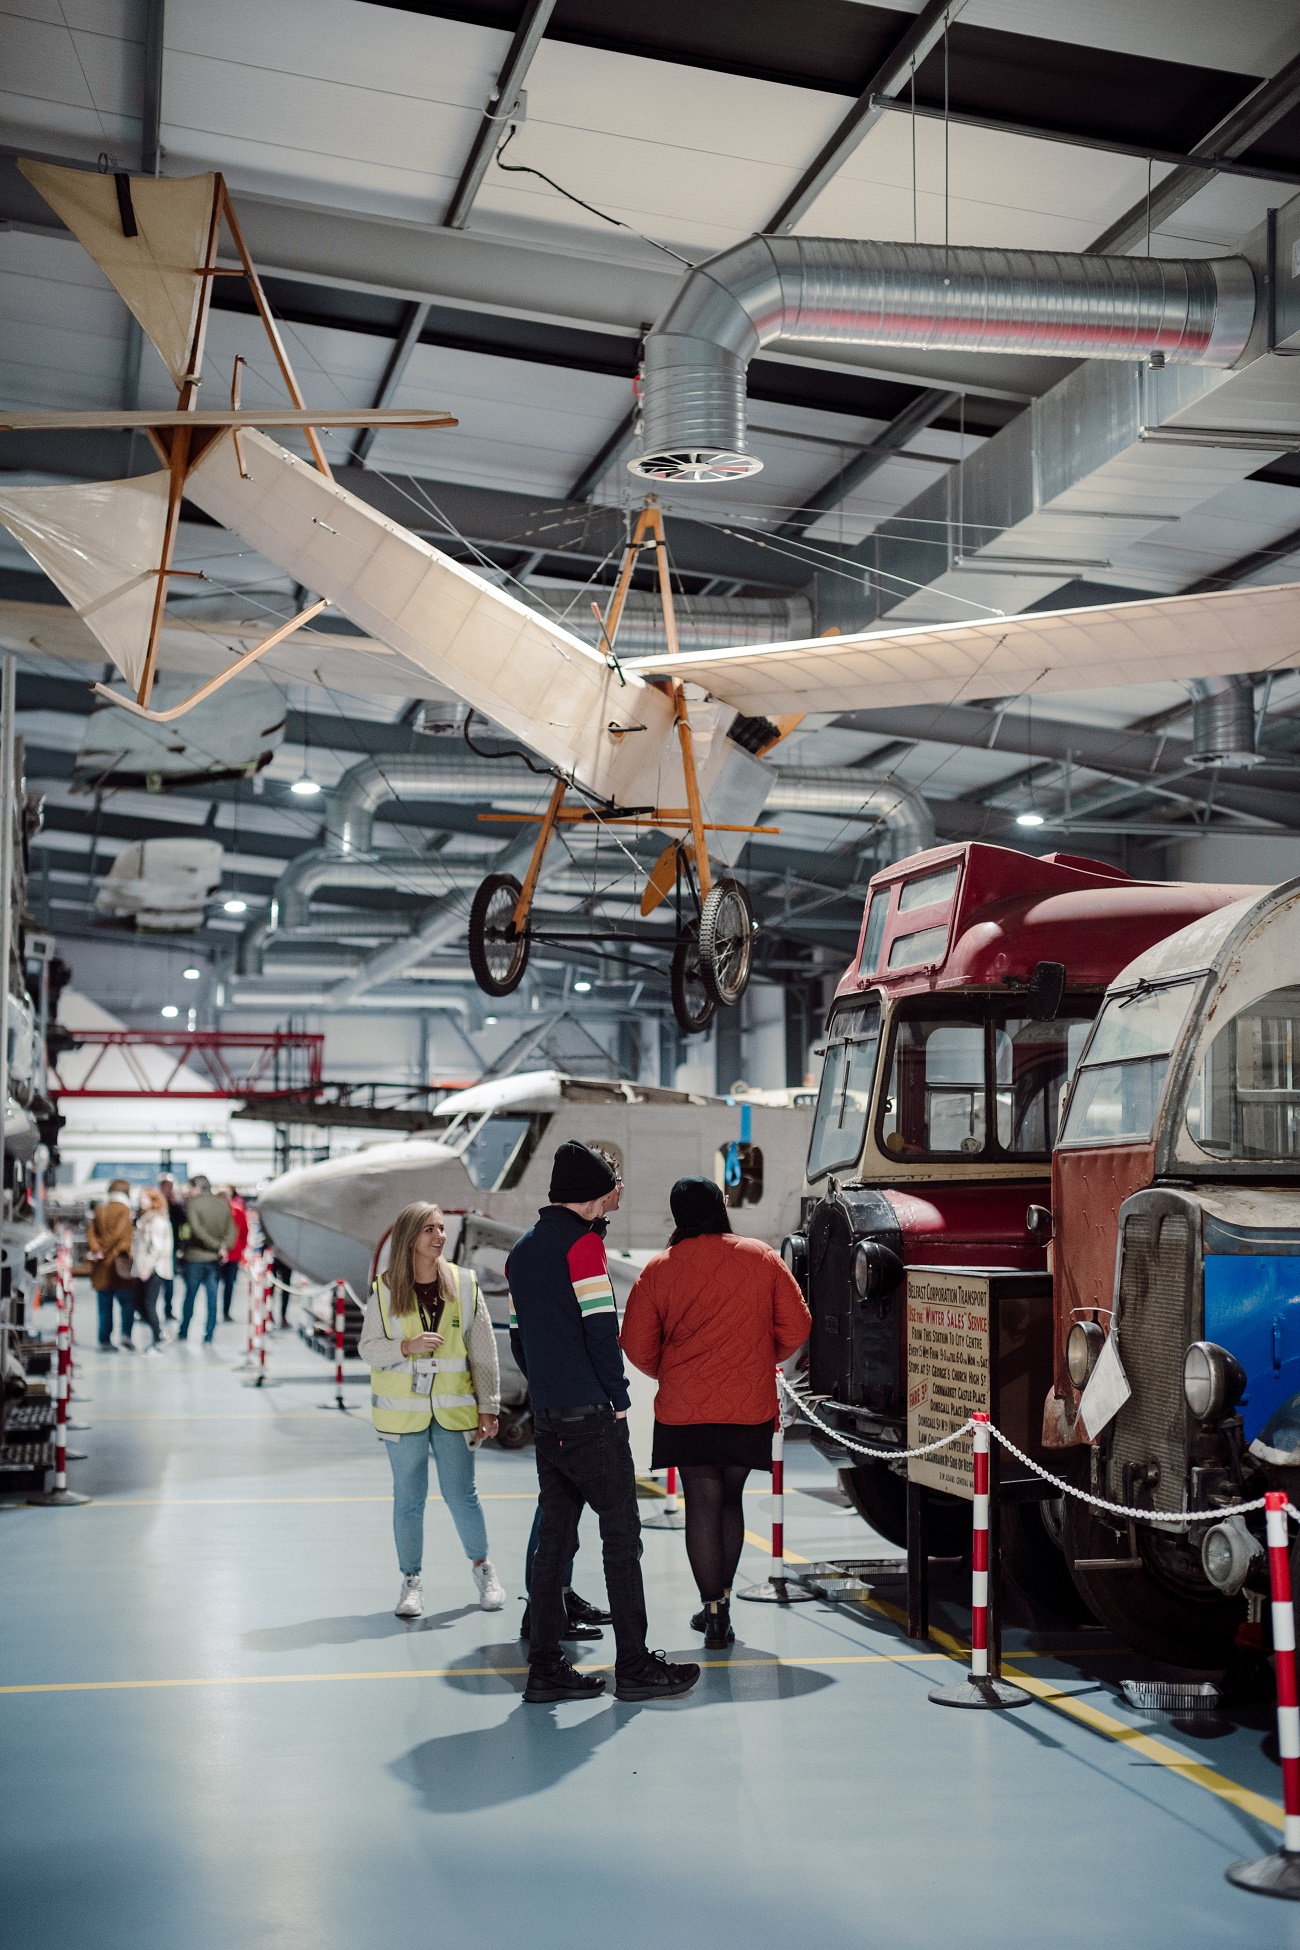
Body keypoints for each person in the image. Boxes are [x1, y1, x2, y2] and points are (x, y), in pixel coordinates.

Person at [507, 1139, 699, 1705]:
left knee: (555, 1542)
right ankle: (635, 1667)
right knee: (621, 1539)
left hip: (549, 1417)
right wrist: (617, 1399)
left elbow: (520, 1338)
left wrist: (547, 1387)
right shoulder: (584, 1248)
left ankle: (545, 1667)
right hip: (592, 1416)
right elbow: (599, 1330)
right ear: (591, 1197)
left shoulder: (521, 1252)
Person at [620, 1177, 811, 1650]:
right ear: (720, 1207)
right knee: (731, 1498)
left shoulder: (660, 1268)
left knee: (700, 1503)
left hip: (685, 1408)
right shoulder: (761, 1256)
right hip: (747, 1403)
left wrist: (670, 1369)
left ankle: (711, 1611)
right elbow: (798, 1324)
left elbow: (635, 1343)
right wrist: (762, 1357)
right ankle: (724, 1606)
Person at [358, 1201, 506, 1618]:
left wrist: (488, 1406)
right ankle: (411, 1582)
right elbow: (368, 1349)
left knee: (462, 1495)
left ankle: (483, 1568)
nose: (440, 1236)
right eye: (429, 1230)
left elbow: (483, 1350)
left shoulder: (465, 1282)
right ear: (409, 1238)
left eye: (441, 1228)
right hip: (401, 1414)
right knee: (409, 1500)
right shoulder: (385, 1289)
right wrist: (405, 1347)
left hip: (454, 1410)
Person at [176, 1175, 237, 1343]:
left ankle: (184, 1331)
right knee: (212, 1298)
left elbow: (197, 1230)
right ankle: (209, 1334)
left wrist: (217, 1246)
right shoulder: (222, 1203)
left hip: (195, 1258)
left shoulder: (193, 1205)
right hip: (214, 1260)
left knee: (190, 1296)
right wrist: (223, 1247)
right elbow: (232, 1229)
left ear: (197, 1187)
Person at [86, 1179, 136, 1352]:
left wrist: (97, 1250)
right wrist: (107, 1249)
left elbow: (91, 1233)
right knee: (127, 1305)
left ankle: (104, 1340)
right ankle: (126, 1336)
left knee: (104, 1308)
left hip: (101, 1267)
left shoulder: (101, 1209)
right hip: (119, 1266)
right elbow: (118, 1234)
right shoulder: (124, 1210)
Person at [130, 1186, 173, 1355]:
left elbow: (156, 1248)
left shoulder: (157, 1221)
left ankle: (159, 1337)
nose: (141, 1201)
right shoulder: (147, 1218)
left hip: (154, 1269)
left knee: (148, 1304)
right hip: (144, 1267)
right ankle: (159, 1335)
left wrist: (147, 1268)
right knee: (140, 1303)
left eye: (145, 1198)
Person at [216, 1185, 248, 1323]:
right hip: (217, 1254)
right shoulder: (214, 1212)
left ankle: (226, 1311)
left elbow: (244, 1232)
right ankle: (214, 1312)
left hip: (233, 1254)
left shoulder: (238, 1211)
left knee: (229, 1284)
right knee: (214, 1284)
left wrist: (241, 1249)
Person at [155, 1175, 185, 1322]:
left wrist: (175, 1203)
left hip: (171, 1247)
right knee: (154, 1281)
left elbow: (182, 1220)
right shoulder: (155, 1202)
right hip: (157, 1247)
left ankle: (168, 1310)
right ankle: (149, 1311)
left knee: (169, 1280)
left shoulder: (174, 1204)